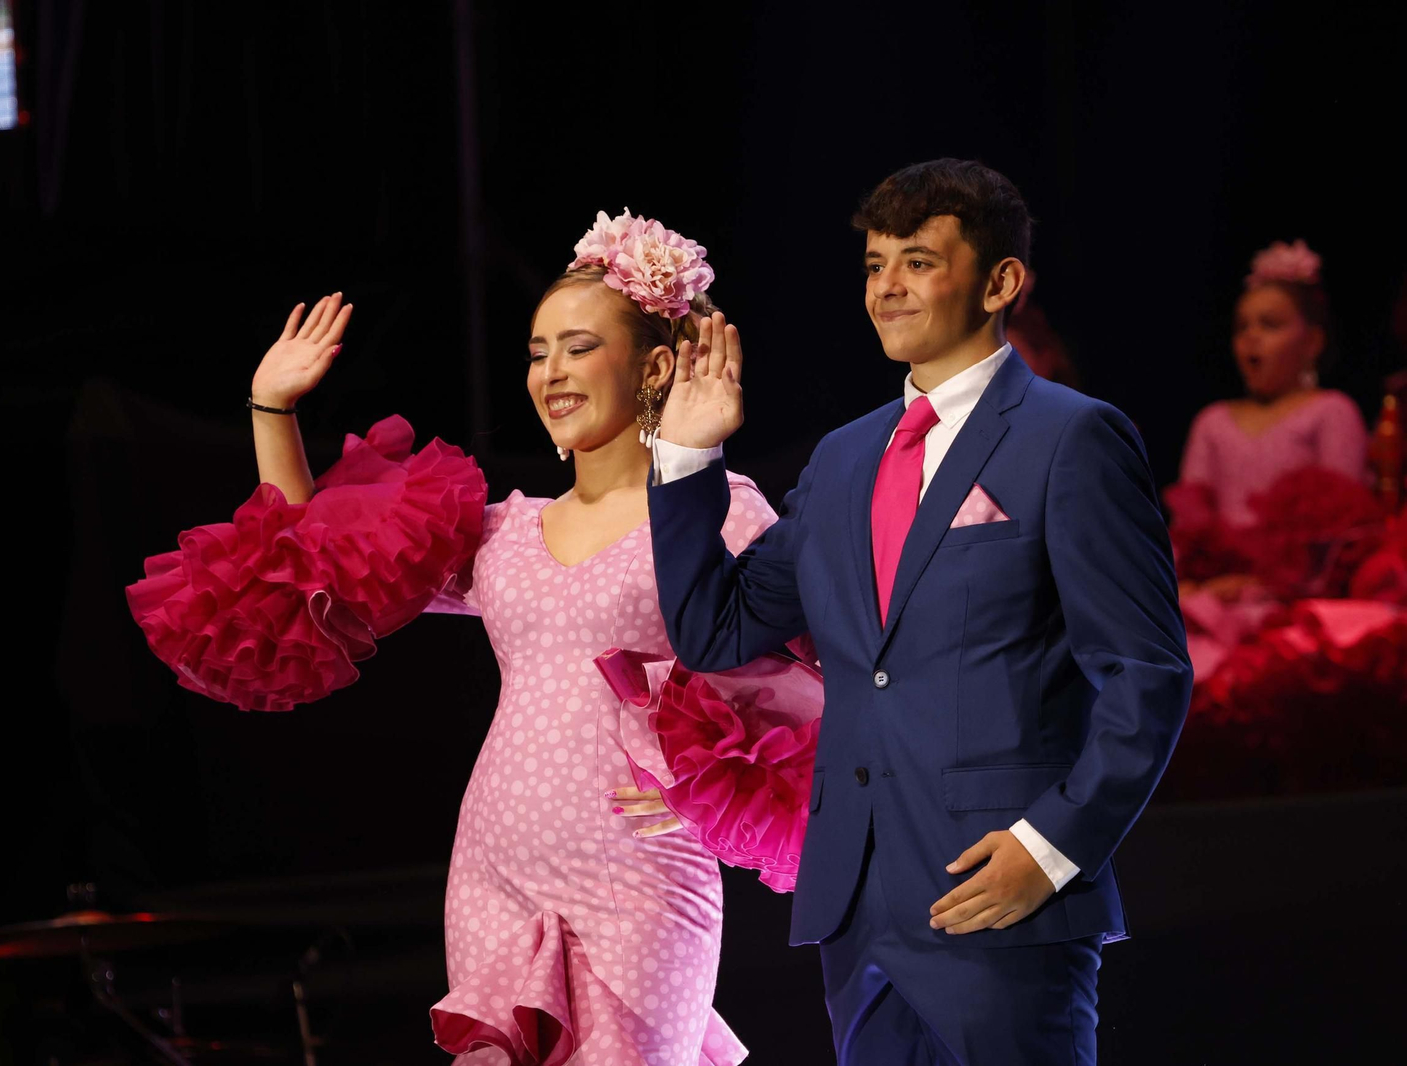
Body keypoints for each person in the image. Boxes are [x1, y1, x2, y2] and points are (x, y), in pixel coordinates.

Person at [126, 210, 817, 1065]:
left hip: (638, 874)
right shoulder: (504, 534)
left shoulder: (720, 508)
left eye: (578, 347)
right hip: (496, 869)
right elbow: (316, 567)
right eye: (537, 352)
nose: (551, 373)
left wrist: (705, 797)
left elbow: (812, 685)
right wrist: (273, 410)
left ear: (657, 365)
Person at [644, 159, 1191, 1064]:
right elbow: (718, 630)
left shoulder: (1072, 437)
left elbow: (1146, 675)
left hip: (1002, 893)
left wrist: (1053, 848)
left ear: (1000, 281)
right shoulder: (844, 457)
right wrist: (688, 460)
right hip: (858, 905)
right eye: (872, 265)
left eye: (917, 261)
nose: (886, 288)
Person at [1176, 239, 1368, 531]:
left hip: (1298, 573)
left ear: (1312, 342)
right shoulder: (1211, 421)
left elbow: (1338, 526)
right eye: (1242, 326)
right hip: (1214, 575)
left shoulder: (1332, 411)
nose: (1251, 336)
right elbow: (1188, 528)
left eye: (1270, 324)